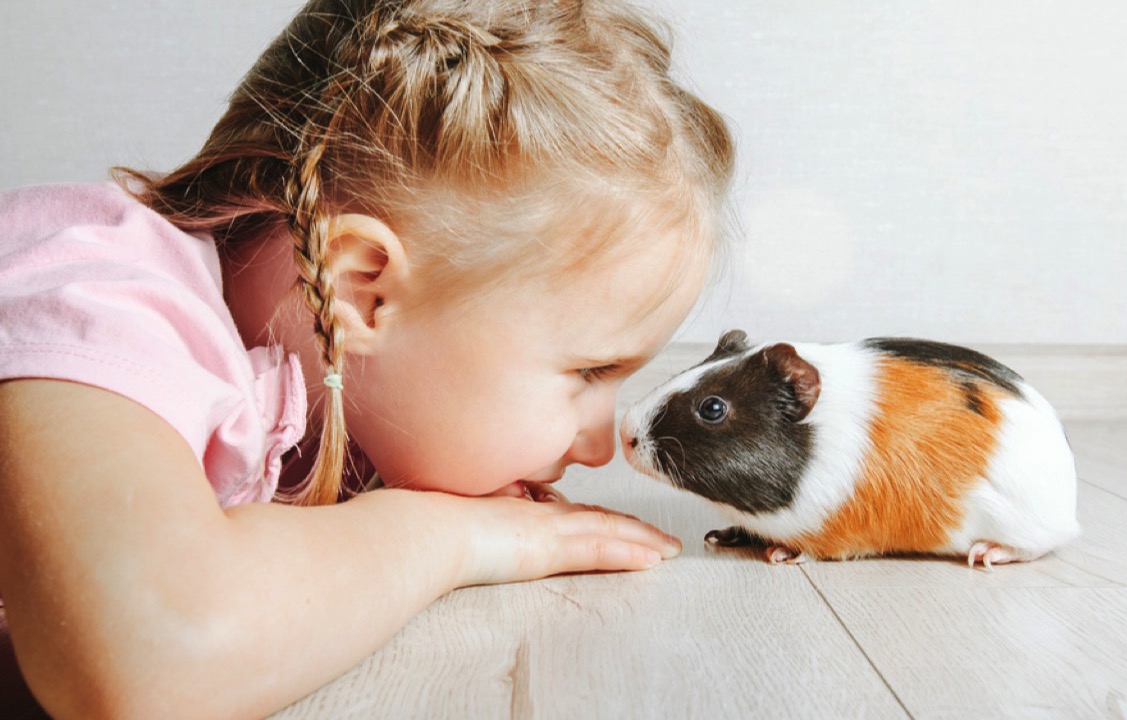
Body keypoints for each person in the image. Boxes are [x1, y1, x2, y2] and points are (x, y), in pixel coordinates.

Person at [0, 0, 735, 716]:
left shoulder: (347, 405)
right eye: (587, 373)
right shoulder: (94, 301)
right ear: (365, 292)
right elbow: (147, 663)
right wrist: (451, 538)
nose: (600, 446)